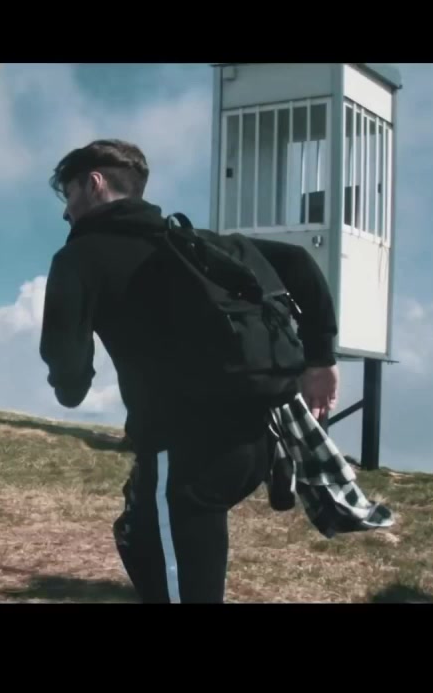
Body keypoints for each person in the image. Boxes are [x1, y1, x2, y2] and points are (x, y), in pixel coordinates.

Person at [38, 139, 341, 603]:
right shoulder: (200, 243)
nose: (66, 211)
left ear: (94, 183)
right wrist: (321, 358)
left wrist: (70, 386)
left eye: (69, 194)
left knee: (181, 578)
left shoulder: (80, 257)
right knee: (138, 535)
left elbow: (67, 366)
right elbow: (298, 263)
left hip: (185, 457)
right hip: (256, 445)